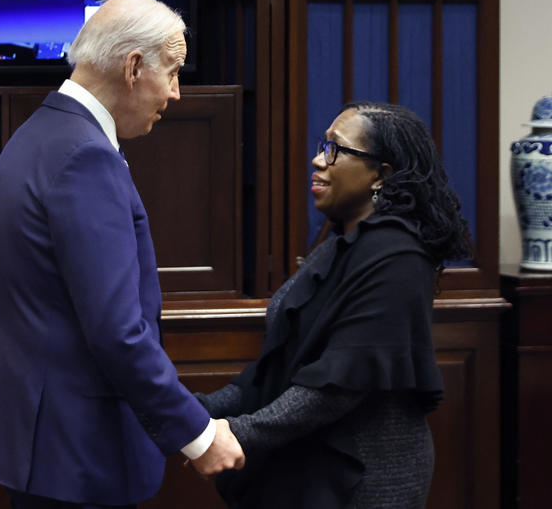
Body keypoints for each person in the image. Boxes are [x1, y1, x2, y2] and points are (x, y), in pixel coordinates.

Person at [0, 0, 239, 508]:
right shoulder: (84, 156)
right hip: (79, 453)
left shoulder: (38, 134)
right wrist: (199, 435)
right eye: (174, 72)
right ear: (135, 67)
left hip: (45, 447)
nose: (177, 93)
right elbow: (118, 332)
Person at [194, 101, 471, 508]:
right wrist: (193, 413)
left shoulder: (401, 257)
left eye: (335, 150)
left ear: (382, 175)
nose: (318, 160)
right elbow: (274, 370)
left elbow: (337, 386)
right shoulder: (339, 247)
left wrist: (235, 433)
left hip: (363, 477)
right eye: (322, 146)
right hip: (307, 458)